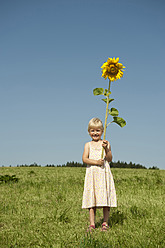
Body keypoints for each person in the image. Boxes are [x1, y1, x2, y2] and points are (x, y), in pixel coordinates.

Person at [82, 117, 117, 232]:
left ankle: (105, 223)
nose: (95, 133)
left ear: (102, 131)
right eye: (92, 130)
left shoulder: (105, 143)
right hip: (92, 174)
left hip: (103, 174)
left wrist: (107, 149)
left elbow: (110, 159)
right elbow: (84, 159)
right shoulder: (88, 145)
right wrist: (96, 162)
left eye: (98, 130)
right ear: (89, 132)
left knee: (105, 199)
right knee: (92, 199)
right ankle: (92, 224)